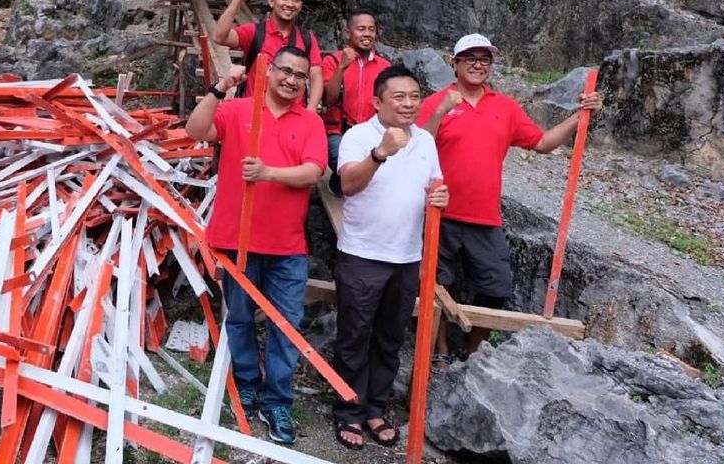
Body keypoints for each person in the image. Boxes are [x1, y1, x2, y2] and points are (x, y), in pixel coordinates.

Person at [416, 33, 603, 370]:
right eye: (469, 57)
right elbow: (416, 146)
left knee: (496, 285)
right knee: (435, 284)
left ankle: (473, 351)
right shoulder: (437, 102)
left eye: (484, 58)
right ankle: (440, 347)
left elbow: (543, 143)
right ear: (454, 62)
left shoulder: (505, 107)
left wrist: (579, 117)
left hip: (485, 217)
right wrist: (442, 111)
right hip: (439, 212)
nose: (477, 64)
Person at [185, 46, 327, 445]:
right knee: (241, 317)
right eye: (285, 70)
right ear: (269, 71)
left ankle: (277, 398)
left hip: (286, 244)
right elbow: (195, 131)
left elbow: (313, 172)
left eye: (300, 75)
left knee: (286, 323)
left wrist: (268, 173)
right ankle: (247, 380)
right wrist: (218, 88)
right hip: (237, 237)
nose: (292, 80)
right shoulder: (238, 110)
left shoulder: (310, 122)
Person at [331, 65, 448, 450]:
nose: (409, 104)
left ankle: (375, 408)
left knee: (390, 337)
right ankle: (349, 410)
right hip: (363, 254)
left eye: (415, 96)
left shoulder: (426, 143)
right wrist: (380, 153)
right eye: (399, 97)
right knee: (354, 336)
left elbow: (434, 187)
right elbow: (347, 184)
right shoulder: (358, 136)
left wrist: (440, 198)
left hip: (407, 256)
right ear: (378, 101)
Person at [213, 0, 323, 112]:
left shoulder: (307, 38)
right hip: (255, 114)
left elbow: (316, 75)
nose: (290, 4)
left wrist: (311, 110)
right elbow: (219, 37)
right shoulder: (255, 32)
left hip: (293, 116)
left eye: (296, 0)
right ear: (271, 1)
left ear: (300, 5)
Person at [321, 10, 392, 196]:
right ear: (348, 33)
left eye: (371, 29)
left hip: (373, 131)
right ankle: (343, 183)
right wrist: (342, 67)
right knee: (342, 159)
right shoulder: (332, 61)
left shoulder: (384, 66)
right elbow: (329, 99)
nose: (367, 34)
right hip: (339, 130)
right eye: (361, 29)